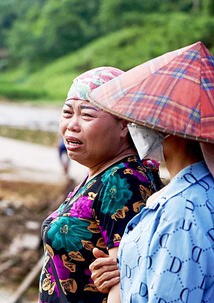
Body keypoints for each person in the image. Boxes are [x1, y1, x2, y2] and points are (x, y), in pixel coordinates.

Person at [87, 49, 214, 302]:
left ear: (170, 129)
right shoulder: (188, 194)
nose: (138, 126)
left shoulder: (182, 211)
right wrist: (126, 269)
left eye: (144, 121)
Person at [38, 67, 160, 303]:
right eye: (67, 112)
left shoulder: (123, 180)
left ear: (124, 124)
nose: (72, 125)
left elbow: (123, 284)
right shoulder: (101, 173)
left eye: (87, 115)